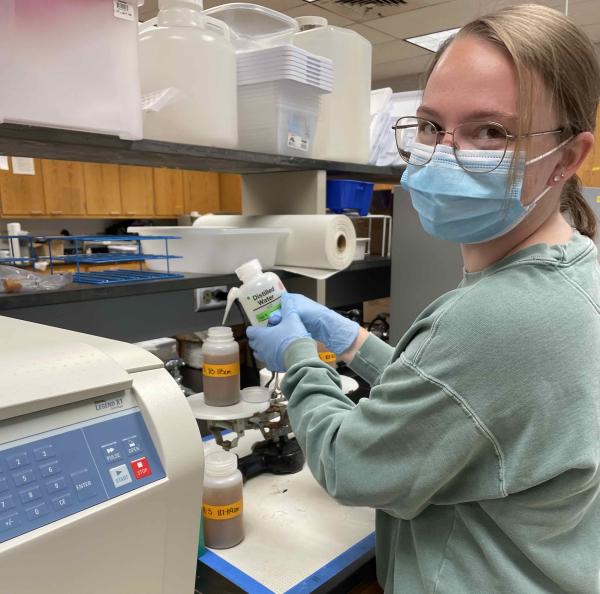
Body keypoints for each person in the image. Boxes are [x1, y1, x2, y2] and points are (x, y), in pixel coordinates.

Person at [247, 4, 600, 593]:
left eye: (490, 131)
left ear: (567, 158)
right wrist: (352, 340)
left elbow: (350, 465)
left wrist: (299, 359)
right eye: (433, 126)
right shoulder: (575, 270)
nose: (444, 152)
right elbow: (464, 402)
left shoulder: (501, 315)